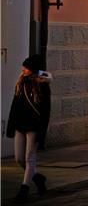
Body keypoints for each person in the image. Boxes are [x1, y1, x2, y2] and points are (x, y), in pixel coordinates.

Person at [5, 55, 51, 202]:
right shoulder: (21, 82)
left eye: (26, 67)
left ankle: (24, 189)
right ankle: (38, 178)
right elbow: (14, 105)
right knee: (19, 159)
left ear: (33, 70)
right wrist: (11, 125)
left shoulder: (42, 85)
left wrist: (42, 132)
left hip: (34, 127)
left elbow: (46, 111)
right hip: (20, 125)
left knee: (29, 158)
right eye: (23, 67)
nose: (23, 69)